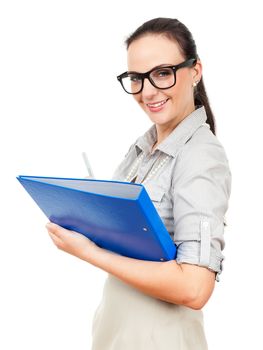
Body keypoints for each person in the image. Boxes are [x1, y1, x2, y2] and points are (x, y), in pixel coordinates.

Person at [46, 17, 231, 350]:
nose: (147, 91)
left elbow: (195, 288)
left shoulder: (201, 157)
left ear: (195, 71)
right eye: (136, 78)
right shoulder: (144, 148)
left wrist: (90, 252)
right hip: (116, 332)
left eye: (162, 73)